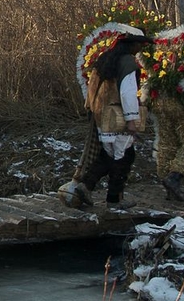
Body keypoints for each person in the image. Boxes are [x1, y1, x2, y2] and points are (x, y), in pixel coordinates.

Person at [59, 32, 147, 208]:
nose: (141, 48)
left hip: (101, 115)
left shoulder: (105, 59)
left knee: (108, 155)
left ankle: (86, 186)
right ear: (132, 44)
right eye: (140, 44)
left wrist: (92, 111)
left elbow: (91, 88)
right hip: (117, 115)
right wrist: (132, 118)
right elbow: (127, 93)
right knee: (124, 157)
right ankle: (113, 199)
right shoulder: (127, 63)